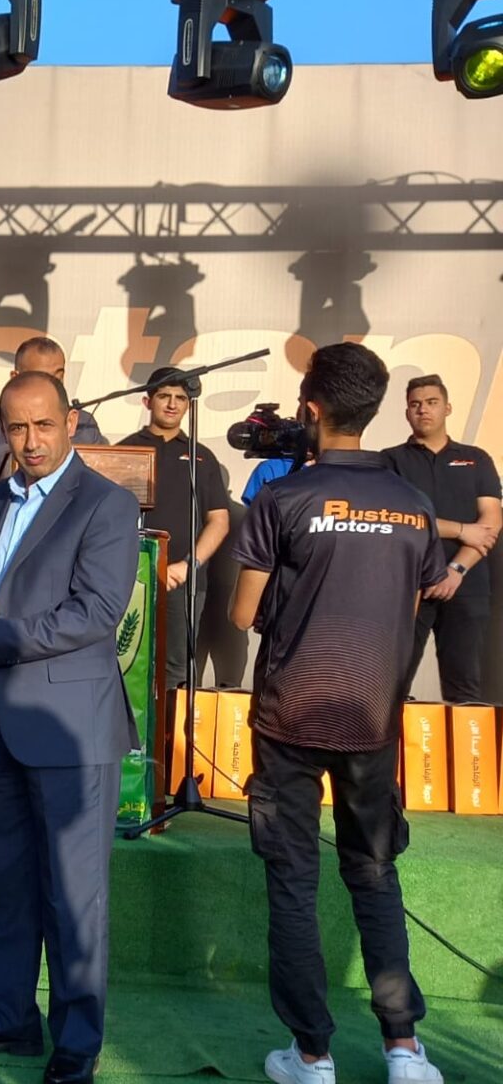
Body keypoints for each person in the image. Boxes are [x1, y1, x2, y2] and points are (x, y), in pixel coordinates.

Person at [229, 343, 447, 1084]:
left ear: (311, 408)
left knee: (293, 877)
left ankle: (312, 1055)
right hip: (372, 715)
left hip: (290, 714)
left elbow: (242, 613)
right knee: (375, 872)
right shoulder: (415, 504)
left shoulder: (282, 498)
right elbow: (408, 611)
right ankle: (403, 1049)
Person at [0, 371, 140, 1084]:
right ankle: (8, 1016)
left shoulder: (106, 503)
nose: (31, 441)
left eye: (44, 425)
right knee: (8, 885)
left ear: (72, 422)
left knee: (75, 897)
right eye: (16, 428)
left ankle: (76, 1044)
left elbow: (96, 612)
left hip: (71, 729)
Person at [382, 374, 501, 707]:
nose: (423, 410)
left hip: (466, 584)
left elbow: (491, 521)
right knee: (392, 687)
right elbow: (396, 519)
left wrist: (456, 569)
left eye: (432, 402)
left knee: (465, 692)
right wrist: (461, 529)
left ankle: (467, 745)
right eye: (415, 404)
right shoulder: (389, 461)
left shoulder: (476, 458)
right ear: (407, 413)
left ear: (447, 408)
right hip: (409, 586)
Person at [118, 367, 230, 695]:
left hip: (184, 583)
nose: (172, 404)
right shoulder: (125, 450)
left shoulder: (202, 457)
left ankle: (170, 731)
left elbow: (219, 521)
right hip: (130, 577)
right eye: (164, 396)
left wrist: (186, 566)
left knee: (176, 670)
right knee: (124, 662)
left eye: (180, 398)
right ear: (147, 401)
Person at [0, 336, 107, 515]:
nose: (32, 443)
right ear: (15, 377)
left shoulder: (84, 425)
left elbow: (106, 479)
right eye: (40, 378)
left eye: (58, 378)